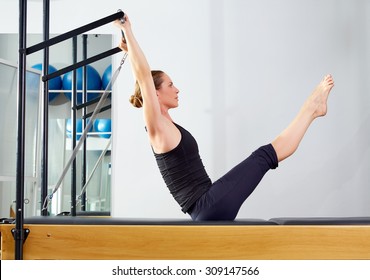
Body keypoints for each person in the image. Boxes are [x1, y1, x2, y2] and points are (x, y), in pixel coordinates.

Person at [115, 14, 334, 221]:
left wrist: (130, 51)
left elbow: (142, 77)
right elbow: (144, 78)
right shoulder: (157, 127)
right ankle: (313, 109)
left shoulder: (167, 124)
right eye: (171, 85)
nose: (177, 89)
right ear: (155, 94)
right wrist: (128, 29)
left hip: (209, 203)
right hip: (206, 205)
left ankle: (313, 110)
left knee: (264, 155)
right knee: (263, 156)